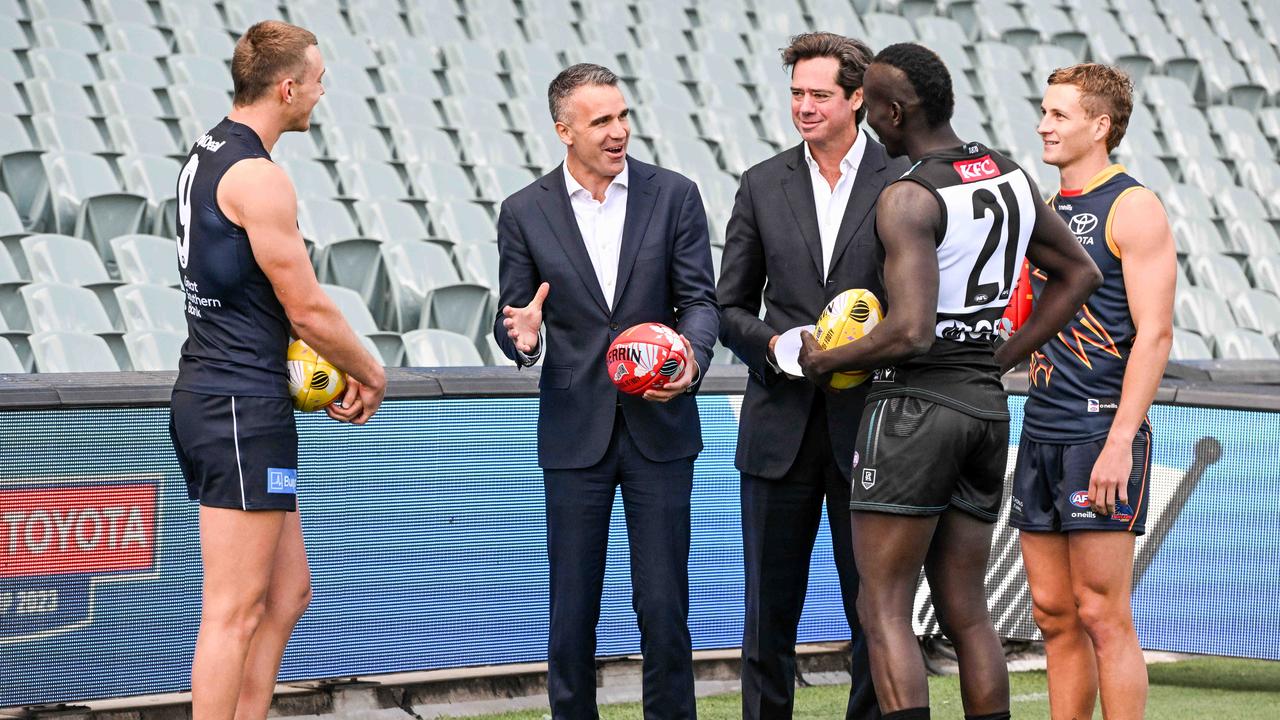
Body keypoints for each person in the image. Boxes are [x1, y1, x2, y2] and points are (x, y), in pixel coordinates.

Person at [798, 43, 1101, 720]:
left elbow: (909, 330)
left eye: (870, 103)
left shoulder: (907, 195)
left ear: (894, 111)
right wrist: (998, 357)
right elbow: (1081, 273)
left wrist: (824, 359)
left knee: (882, 606)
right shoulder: (1009, 173)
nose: (867, 116)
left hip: (913, 408)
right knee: (966, 608)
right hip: (984, 407)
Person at [168, 20, 386, 720]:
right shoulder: (259, 176)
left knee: (288, 594)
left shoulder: (209, 148)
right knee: (231, 613)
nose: (322, 93)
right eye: (318, 81)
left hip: (236, 397)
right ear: (288, 88)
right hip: (235, 405)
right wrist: (371, 372)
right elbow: (309, 310)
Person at [492, 63, 719, 720]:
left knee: (664, 607)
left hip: (662, 429)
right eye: (601, 121)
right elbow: (513, 324)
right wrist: (525, 336)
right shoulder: (523, 212)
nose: (618, 132)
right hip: (574, 432)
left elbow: (698, 301)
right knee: (571, 613)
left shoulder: (674, 195)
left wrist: (690, 361)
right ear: (564, 130)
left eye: (623, 116)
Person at [717, 31, 908, 720]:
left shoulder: (905, 178)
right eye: (796, 93)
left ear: (857, 98)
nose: (803, 106)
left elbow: (922, 307)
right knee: (767, 618)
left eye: (819, 95)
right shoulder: (762, 183)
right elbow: (728, 304)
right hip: (777, 430)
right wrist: (775, 345)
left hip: (876, 432)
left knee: (875, 616)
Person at [1010, 63, 1175, 720]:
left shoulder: (1133, 205)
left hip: (1099, 430)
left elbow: (1155, 335)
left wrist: (1119, 442)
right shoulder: (1043, 211)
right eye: (1044, 111)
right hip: (1041, 427)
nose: (1044, 125)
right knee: (1052, 615)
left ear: (1100, 125)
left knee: (1103, 612)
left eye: (1059, 114)